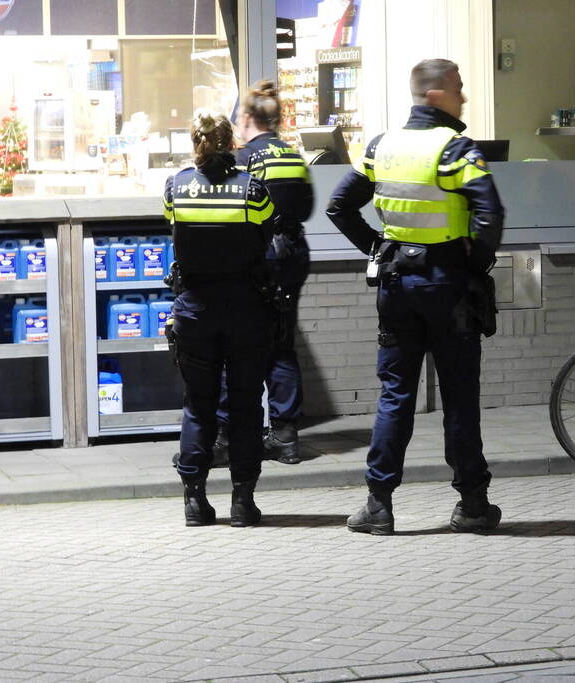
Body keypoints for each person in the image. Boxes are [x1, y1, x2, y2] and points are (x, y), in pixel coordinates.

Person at [326, 58, 506, 535]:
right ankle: (471, 505)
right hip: (446, 286)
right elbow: (490, 212)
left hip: (396, 286)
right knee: (460, 398)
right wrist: (472, 267)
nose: (463, 96)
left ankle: (378, 506)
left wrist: (378, 248)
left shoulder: (381, 147)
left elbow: (338, 206)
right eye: (458, 88)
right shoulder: (454, 149)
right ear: (434, 95)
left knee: (395, 396)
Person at [165, 109, 278, 527]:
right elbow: (267, 234)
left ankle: (194, 501)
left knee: (199, 404)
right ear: (232, 143)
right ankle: (242, 502)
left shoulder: (176, 187)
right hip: (245, 308)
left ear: (194, 144)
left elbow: (174, 231)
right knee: (246, 405)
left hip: (195, 310)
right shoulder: (252, 189)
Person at [213, 79, 314, 468]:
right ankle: (286, 436)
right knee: (281, 344)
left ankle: (230, 434)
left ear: (247, 117)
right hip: (292, 255)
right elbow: (305, 209)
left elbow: (233, 209)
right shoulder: (292, 155)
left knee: (235, 346)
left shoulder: (244, 158)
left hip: (257, 259)